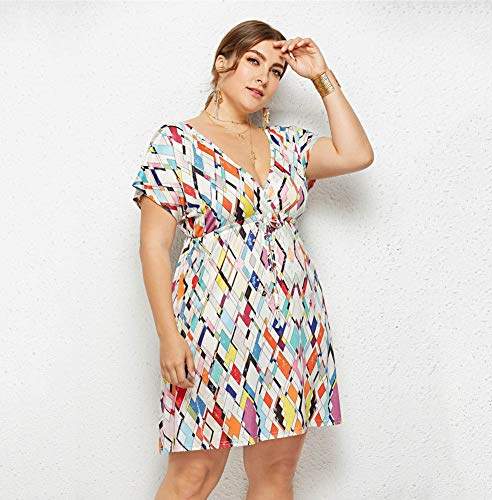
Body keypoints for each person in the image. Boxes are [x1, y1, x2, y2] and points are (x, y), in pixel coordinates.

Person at [131, 19, 373, 500]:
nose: (264, 77)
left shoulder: (289, 145)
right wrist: (168, 336)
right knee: (194, 475)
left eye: (276, 70)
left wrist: (321, 76)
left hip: (291, 322)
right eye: (253, 61)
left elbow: (356, 154)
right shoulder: (176, 143)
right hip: (211, 325)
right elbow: (154, 247)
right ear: (223, 64)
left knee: (276, 472)